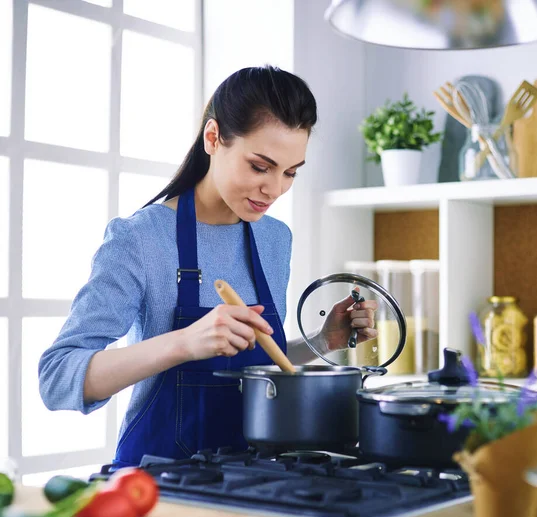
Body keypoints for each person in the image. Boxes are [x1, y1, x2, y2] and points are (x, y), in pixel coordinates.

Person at [39, 65, 377, 467]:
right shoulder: (141, 238)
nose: (274, 189)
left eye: (290, 173)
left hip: (256, 479)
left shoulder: (274, 238)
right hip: (158, 485)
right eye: (259, 166)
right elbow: (57, 379)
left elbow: (255, 366)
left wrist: (323, 342)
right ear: (213, 138)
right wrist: (183, 343)